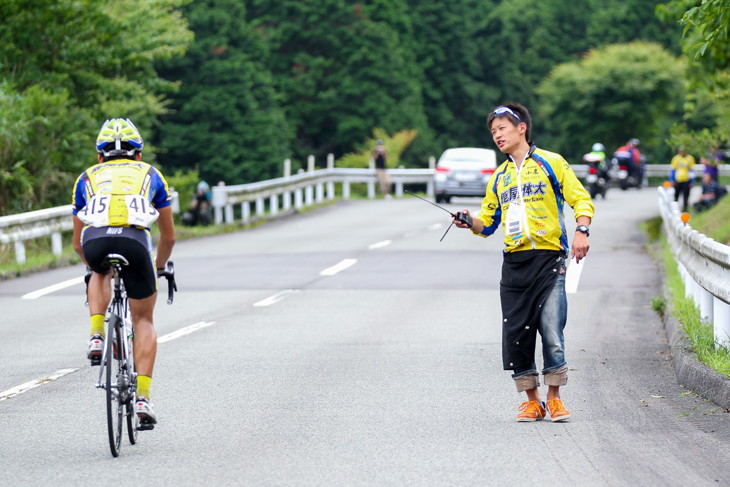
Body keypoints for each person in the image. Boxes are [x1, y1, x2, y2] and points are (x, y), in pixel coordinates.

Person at [453, 103, 594, 422]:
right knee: (517, 333)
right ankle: (532, 400)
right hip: (515, 264)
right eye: (492, 131)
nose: (497, 135)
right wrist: (468, 221)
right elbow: (488, 223)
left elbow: (580, 199)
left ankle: (555, 398)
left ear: (521, 128)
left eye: (501, 128)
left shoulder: (551, 162)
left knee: (551, 328)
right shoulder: (499, 177)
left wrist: (582, 230)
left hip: (550, 259)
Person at [72, 118, 176, 427]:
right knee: (143, 319)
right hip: (134, 242)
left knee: (98, 270)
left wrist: (92, 266)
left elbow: (78, 244)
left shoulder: (86, 177)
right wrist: (157, 269)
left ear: (100, 156)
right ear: (139, 155)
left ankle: (96, 335)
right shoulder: (152, 175)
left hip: (96, 241)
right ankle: (143, 397)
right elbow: (168, 237)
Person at [670, 146, 696, 212]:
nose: (682, 153)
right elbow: (673, 170)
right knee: (676, 195)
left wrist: (692, 181)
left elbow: (692, 170)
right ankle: (674, 209)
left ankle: (685, 210)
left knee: (686, 196)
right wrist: (672, 180)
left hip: (686, 180)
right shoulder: (676, 159)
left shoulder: (690, 158)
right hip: (678, 180)